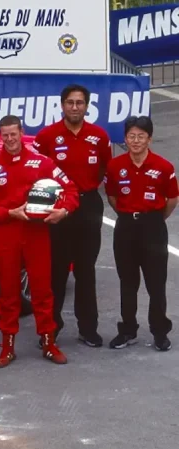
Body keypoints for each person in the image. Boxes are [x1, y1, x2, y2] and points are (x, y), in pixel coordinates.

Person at [0, 115, 78, 368]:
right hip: (7, 234)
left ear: (22, 132)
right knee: (8, 292)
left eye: (14, 133)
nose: (10, 139)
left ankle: (48, 342)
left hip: (36, 234)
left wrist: (62, 211)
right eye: (5, 135)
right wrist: (8, 213)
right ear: (0, 137)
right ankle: (7, 346)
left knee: (43, 290)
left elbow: (71, 190)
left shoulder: (42, 163)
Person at [32, 84, 112, 348]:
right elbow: (37, 173)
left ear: (87, 106)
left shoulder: (99, 136)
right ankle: (50, 328)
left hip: (88, 206)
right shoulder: (47, 136)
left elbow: (103, 169)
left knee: (85, 270)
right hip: (57, 209)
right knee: (55, 272)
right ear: (62, 105)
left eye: (79, 103)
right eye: (70, 102)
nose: (75, 107)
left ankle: (88, 328)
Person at [105, 116, 178, 352]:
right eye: (131, 136)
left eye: (141, 136)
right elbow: (113, 198)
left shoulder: (163, 167)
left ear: (149, 139)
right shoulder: (115, 166)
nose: (135, 141)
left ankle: (159, 332)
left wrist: (153, 219)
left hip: (154, 228)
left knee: (156, 283)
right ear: (125, 139)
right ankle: (127, 330)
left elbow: (172, 199)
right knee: (128, 283)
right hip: (126, 228)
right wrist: (130, 216)